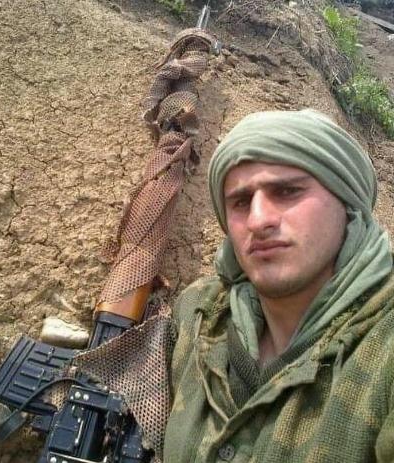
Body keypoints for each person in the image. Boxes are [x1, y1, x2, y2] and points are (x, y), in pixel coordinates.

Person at [163, 109, 394, 462]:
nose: (258, 220)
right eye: (240, 202)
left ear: (347, 202)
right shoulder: (198, 315)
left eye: (287, 191)